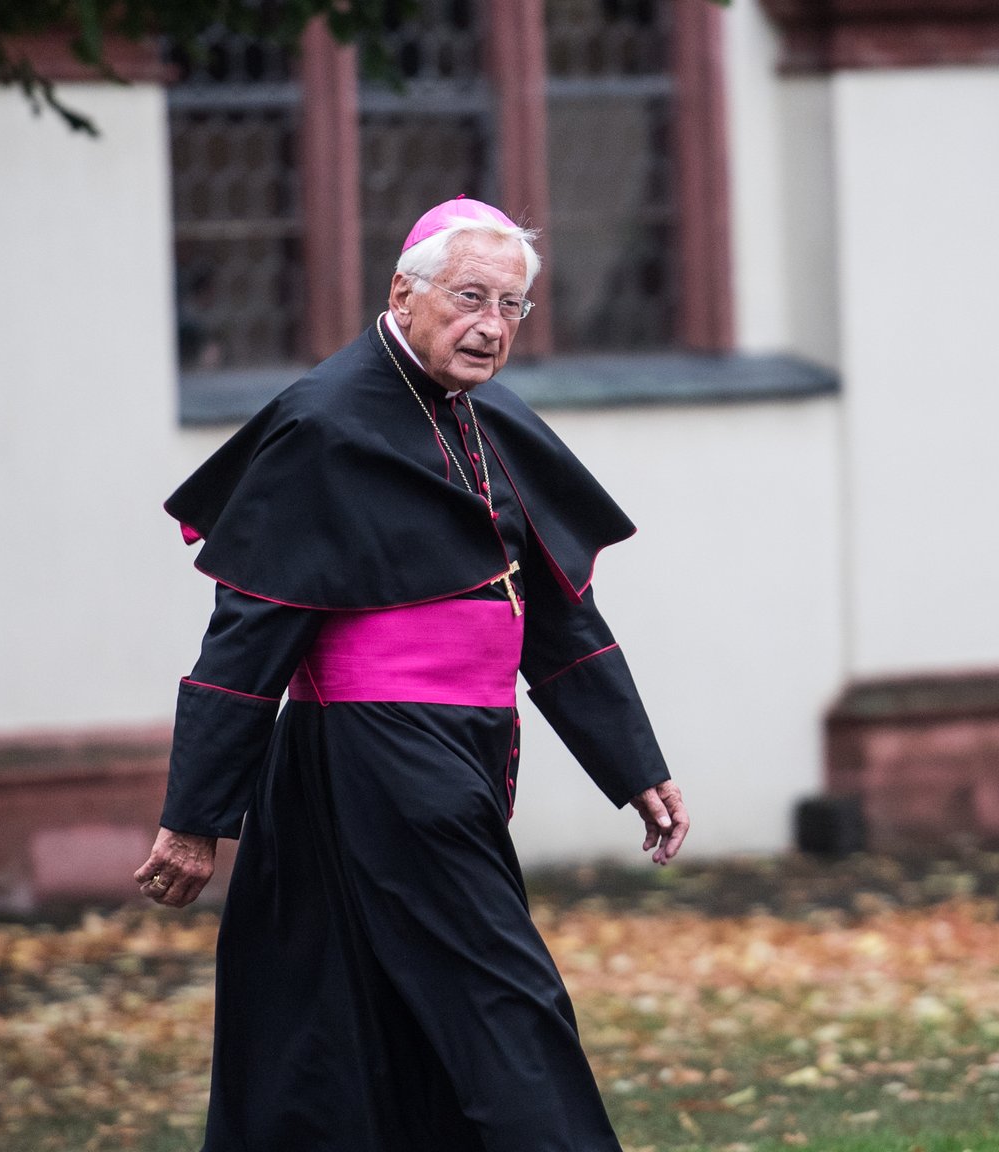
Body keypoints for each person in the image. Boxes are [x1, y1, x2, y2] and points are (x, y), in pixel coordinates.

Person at [132, 195, 690, 1151]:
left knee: (337, 1022)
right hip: (374, 756)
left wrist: (635, 767)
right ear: (405, 289)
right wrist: (193, 821)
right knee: (502, 1002)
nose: (491, 327)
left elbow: (557, 620)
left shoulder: (490, 420)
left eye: (511, 308)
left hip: (452, 754)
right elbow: (243, 642)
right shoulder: (322, 423)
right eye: (471, 298)